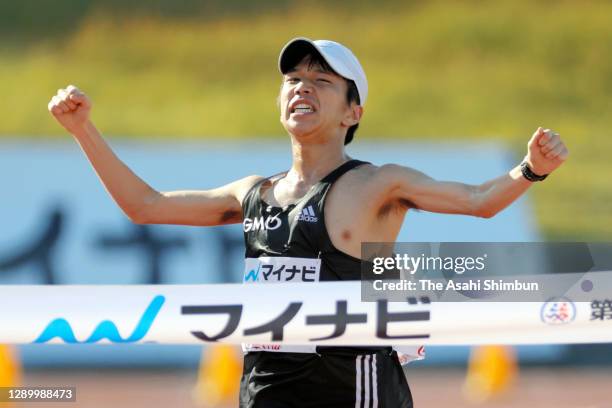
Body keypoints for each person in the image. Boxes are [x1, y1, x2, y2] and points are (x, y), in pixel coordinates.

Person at [48, 37, 568, 407]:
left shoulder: (377, 185)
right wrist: (82, 129)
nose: (302, 88)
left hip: (355, 393)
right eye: (293, 80)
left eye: (321, 81)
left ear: (352, 112)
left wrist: (531, 170)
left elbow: (480, 199)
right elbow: (146, 205)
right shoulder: (252, 192)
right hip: (266, 392)